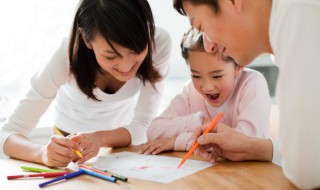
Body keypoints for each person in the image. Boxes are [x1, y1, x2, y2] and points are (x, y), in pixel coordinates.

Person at [0, 0, 171, 167]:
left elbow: (145, 126)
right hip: (69, 148)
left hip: (123, 146)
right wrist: (42, 153)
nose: (126, 66)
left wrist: (100, 138)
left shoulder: (158, 42)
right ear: (87, 40)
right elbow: (6, 134)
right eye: (110, 56)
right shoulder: (66, 57)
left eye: (136, 51)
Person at [173, 0, 320, 189]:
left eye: (201, 27)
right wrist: (252, 148)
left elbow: (307, 172)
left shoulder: (301, 14)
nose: (208, 46)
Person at [138, 27, 271, 155]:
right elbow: (154, 131)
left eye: (217, 76)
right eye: (196, 76)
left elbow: (243, 144)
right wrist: (200, 122)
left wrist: (177, 141)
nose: (207, 87)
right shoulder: (190, 91)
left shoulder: (252, 84)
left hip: (252, 174)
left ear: (239, 66)